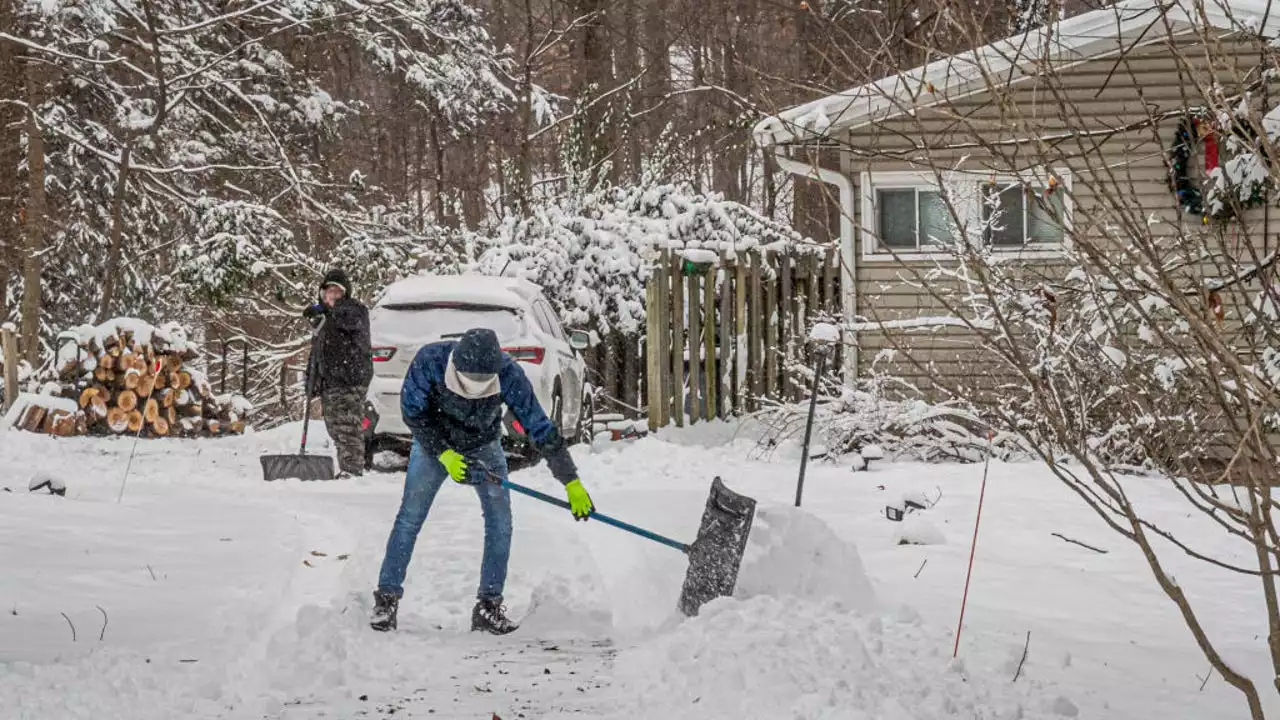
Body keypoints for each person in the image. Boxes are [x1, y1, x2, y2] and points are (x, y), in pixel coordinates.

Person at [370, 328, 594, 635]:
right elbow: (413, 413)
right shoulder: (430, 361)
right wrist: (444, 453)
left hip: (484, 444)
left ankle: (488, 606)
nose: (473, 389)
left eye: (481, 383)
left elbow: (540, 427)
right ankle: (386, 599)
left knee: (500, 522)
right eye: (467, 382)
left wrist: (571, 481)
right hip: (434, 443)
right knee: (410, 517)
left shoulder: (509, 373)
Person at [302, 268, 373, 478]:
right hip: (330, 381)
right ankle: (348, 468)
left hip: (349, 379)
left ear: (345, 293)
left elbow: (344, 318)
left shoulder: (353, 311)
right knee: (334, 428)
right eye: (328, 291)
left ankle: (352, 472)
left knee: (347, 428)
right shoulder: (325, 319)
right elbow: (317, 352)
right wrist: (311, 380)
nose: (331, 295)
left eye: (337, 291)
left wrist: (321, 310)